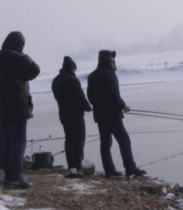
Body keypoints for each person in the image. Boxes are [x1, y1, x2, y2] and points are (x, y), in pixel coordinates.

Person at [0, 31, 40, 189]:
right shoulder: (16, 57)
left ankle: (10, 177)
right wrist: (22, 55)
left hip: (0, 110)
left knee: (7, 143)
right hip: (17, 108)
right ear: (20, 45)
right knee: (18, 143)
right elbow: (35, 69)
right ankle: (16, 178)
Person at [86, 50, 146, 178]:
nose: (113, 60)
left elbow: (90, 97)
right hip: (113, 114)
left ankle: (110, 171)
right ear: (108, 59)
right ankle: (130, 168)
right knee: (124, 141)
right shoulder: (110, 73)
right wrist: (123, 106)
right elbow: (114, 95)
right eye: (112, 58)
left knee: (105, 144)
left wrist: (100, 105)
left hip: (100, 115)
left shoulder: (92, 75)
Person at [51, 56, 92, 178]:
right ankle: (78, 166)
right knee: (79, 140)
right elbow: (80, 96)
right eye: (74, 69)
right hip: (75, 114)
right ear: (71, 69)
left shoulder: (55, 80)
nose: (75, 71)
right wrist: (88, 107)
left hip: (63, 114)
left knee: (69, 140)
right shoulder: (72, 80)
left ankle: (71, 166)